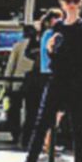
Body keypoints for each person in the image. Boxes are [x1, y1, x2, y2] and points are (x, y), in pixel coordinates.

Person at [7, 0, 82, 162]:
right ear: (61, 2)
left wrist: (57, 51)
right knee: (41, 123)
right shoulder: (58, 28)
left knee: (77, 128)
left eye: (75, 1)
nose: (71, 5)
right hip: (56, 80)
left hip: (76, 82)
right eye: (67, 1)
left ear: (80, 2)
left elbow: (79, 57)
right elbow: (55, 57)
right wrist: (50, 50)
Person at [20, 9, 62, 150]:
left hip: (39, 76)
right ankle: (42, 142)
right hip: (42, 77)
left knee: (41, 113)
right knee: (42, 112)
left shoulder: (43, 35)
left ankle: (42, 142)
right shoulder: (48, 35)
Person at [5, 25, 37, 146]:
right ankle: (27, 136)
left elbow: (11, 65)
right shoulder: (38, 46)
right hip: (33, 83)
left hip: (17, 81)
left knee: (14, 110)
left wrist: (7, 82)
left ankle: (15, 134)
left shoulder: (18, 46)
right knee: (31, 111)